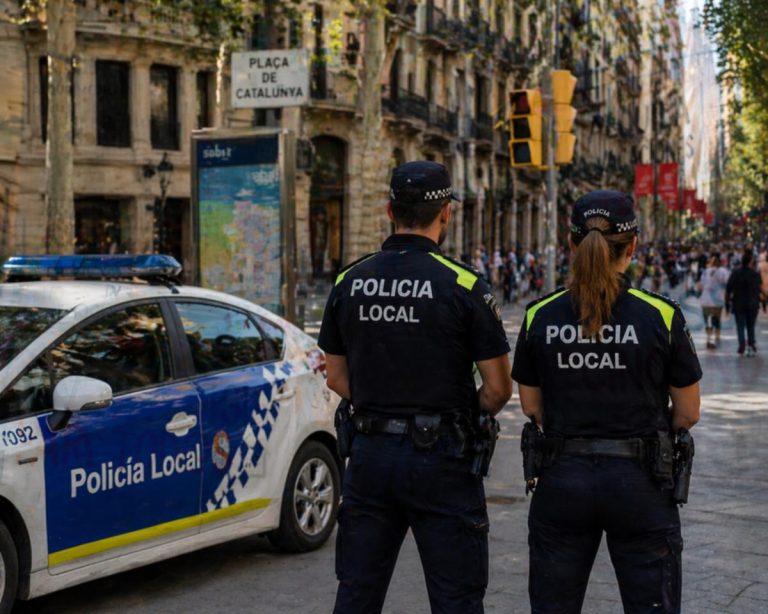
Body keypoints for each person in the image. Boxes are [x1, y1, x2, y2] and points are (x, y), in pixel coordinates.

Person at [318, 160, 512, 614]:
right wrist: (460, 408)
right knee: (456, 599)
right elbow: (499, 388)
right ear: (446, 213)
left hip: (368, 456)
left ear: (390, 210)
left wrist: (380, 400)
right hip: (443, 457)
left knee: (357, 594)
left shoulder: (349, 281)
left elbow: (335, 377)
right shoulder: (465, 286)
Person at [511, 190, 701, 613]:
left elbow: (531, 406)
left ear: (571, 243)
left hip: (562, 479)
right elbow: (688, 412)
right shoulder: (661, 316)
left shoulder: (540, 315)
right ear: (633, 245)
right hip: (641, 484)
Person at [726, 250, 762, 356]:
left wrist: (727, 302)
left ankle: (742, 344)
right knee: (751, 325)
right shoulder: (755, 274)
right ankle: (751, 344)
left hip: (738, 303)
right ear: (750, 262)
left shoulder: (735, 272)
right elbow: (758, 289)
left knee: (740, 325)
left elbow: (729, 288)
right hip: (752, 303)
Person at [698, 254, 729, 349]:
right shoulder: (723, 271)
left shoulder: (705, 272)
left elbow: (701, 285)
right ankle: (717, 337)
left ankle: (709, 338)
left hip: (706, 300)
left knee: (707, 320)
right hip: (717, 300)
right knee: (717, 319)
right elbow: (726, 282)